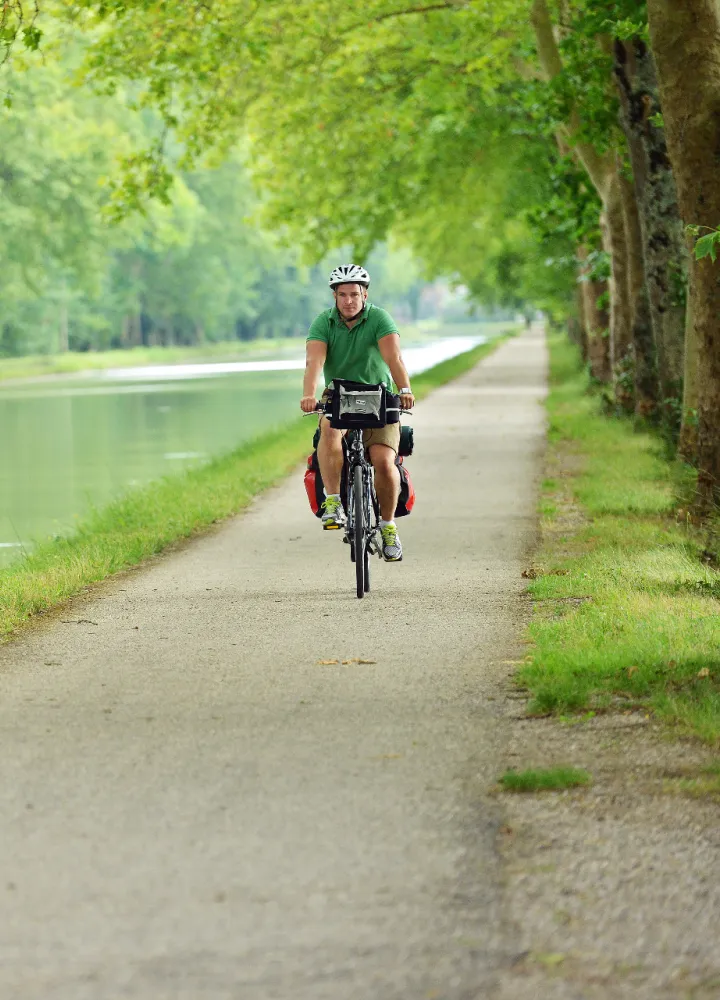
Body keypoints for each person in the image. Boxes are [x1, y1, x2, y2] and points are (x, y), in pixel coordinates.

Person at [301, 264, 415, 562]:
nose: (349, 300)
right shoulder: (322, 323)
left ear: (364, 294)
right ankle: (334, 502)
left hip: (379, 395)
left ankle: (388, 527)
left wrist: (404, 390)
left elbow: (394, 357)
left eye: (354, 294)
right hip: (339, 394)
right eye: (342, 295)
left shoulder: (379, 318)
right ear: (334, 297)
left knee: (383, 460)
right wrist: (309, 395)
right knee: (328, 429)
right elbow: (314, 362)